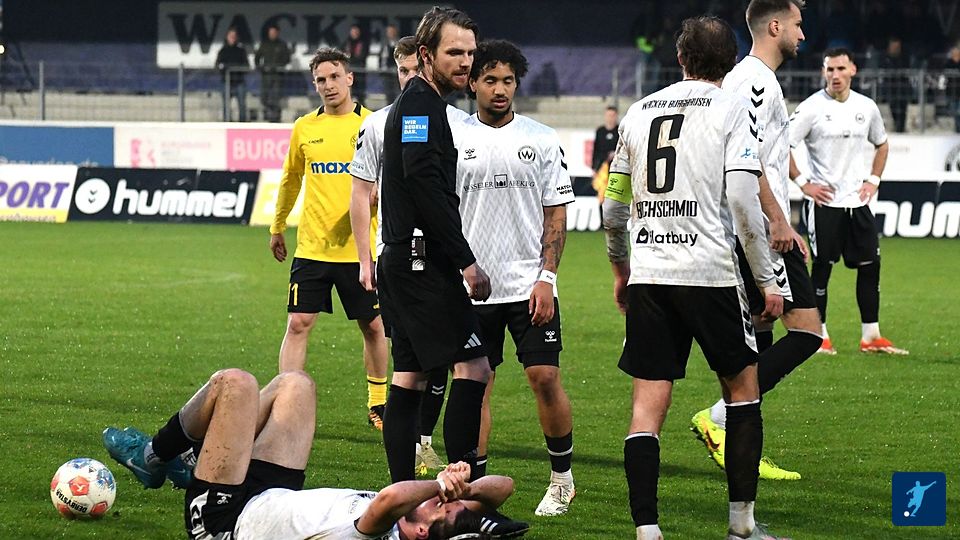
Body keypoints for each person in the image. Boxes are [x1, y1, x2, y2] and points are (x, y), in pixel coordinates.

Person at [602, 16, 785, 540]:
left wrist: (622, 269)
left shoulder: (638, 112)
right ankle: (742, 527)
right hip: (710, 272)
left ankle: (647, 531)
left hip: (650, 274)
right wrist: (767, 278)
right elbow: (743, 199)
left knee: (646, 409)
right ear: (730, 62)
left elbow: (613, 208)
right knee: (743, 393)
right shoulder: (732, 110)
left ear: (680, 59)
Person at [102, 369, 528, 539]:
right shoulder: (431, 518)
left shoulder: (379, 533)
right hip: (272, 494)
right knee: (297, 386)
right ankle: (198, 460)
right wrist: (465, 488)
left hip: (226, 523)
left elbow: (389, 498)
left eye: (441, 509)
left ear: (419, 534)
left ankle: (153, 456)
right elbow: (504, 488)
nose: (441, 501)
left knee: (235, 385)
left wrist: (439, 483)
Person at [691, 0, 822, 482]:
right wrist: (777, 221)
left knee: (759, 336)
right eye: (798, 25)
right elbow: (746, 161)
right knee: (807, 332)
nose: (803, 35)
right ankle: (720, 417)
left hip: (759, 228)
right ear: (775, 26)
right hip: (759, 233)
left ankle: (742, 446)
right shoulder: (752, 80)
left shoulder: (756, 79)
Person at [455, 39, 576, 517]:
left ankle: (562, 479)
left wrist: (547, 277)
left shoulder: (542, 138)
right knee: (477, 386)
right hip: (472, 288)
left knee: (544, 377)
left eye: (508, 80)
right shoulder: (455, 138)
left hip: (529, 285)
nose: (500, 89)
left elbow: (556, 214)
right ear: (473, 83)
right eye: (490, 80)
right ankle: (476, 489)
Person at [377, 6, 492, 484]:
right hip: (420, 261)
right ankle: (465, 488)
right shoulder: (420, 106)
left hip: (405, 260)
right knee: (475, 367)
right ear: (426, 55)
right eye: (454, 53)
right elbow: (423, 183)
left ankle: (401, 496)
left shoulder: (422, 104)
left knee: (410, 378)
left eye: (470, 53)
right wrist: (466, 261)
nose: (466, 62)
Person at [349, 35, 470, 475]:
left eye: (413, 71)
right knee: (462, 364)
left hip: (437, 252)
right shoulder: (382, 122)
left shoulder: (457, 120)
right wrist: (365, 259)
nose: (408, 78)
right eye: (402, 71)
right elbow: (361, 193)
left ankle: (418, 458)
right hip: (411, 254)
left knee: (419, 370)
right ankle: (453, 468)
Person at [269, 47, 390, 430]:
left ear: (349, 78)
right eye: (320, 80)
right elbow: (291, 179)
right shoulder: (305, 128)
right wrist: (277, 225)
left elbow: (394, 177)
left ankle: (378, 402)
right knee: (298, 323)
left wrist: (381, 192)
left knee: (373, 326)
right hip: (313, 249)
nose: (328, 85)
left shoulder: (373, 124)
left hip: (361, 251)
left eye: (335, 77)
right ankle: (285, 403)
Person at [788, 48, 907, 356]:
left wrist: (873, 180)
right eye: (830, 70)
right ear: (823, 72)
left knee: (870, 265)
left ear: (853, 70)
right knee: (822, 268)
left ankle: (871, 336)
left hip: (858, 203)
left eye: (841, 69)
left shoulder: (866, 107)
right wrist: (803, 183)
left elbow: (882, 144)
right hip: (824, 205)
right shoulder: (811, 108)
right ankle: (819, 336)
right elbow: (781, 146)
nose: (835, 75)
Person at [255, 24, 292, 123]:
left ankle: (275, 117)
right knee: (264, 97)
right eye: (270, 32)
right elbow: (257, 58)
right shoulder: (264, 44)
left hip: (277, 75)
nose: (272, 34)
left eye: (274, 32)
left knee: (276, 97)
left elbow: (287, 59)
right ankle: (267, 113)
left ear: (277, 33)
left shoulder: (282, 45)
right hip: (266, 75)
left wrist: (279, 66)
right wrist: (261, 68)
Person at [215, 27, 251, 122]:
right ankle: (227, 121)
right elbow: (217, 65)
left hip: (239, 81)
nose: (232, 38)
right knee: (226, 104)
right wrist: (224, 69)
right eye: (231, 36)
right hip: (226, 82)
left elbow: (246, 66)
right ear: (227, 37)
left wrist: (238, 70)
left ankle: (242, 123)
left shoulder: (241, 51)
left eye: (234, 36)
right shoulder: (223, 51)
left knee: (242, 104)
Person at [592, 106, 620, 203]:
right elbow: (595, 150)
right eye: (608, 115)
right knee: (602, 193)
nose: (610, 118)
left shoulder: (620, 131)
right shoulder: (600, 131)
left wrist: (615, 153)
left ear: (616, 116)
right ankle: (602, 212)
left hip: (615, 168)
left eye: (612, 115)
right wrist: (594, 168)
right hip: (602, 167)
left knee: (614, 194)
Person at [344, 24, 369, 106]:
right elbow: (342, 54)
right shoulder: (347, 42)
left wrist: (351, 58)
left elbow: (362, 56)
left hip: (360, 73)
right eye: (353, 31)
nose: (355, 33)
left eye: (356, 31)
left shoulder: (363, 43)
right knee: (349, 94)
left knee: (360, 95)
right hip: (349, 72)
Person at [379, 24, 403, 104]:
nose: (390, 33)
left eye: (392, 31)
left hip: (396, 72)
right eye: (389, 32)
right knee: (388, 92)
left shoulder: (399, 44)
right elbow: (381, 57)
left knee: (397, 92)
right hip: (386, 72)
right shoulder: (384, 44)